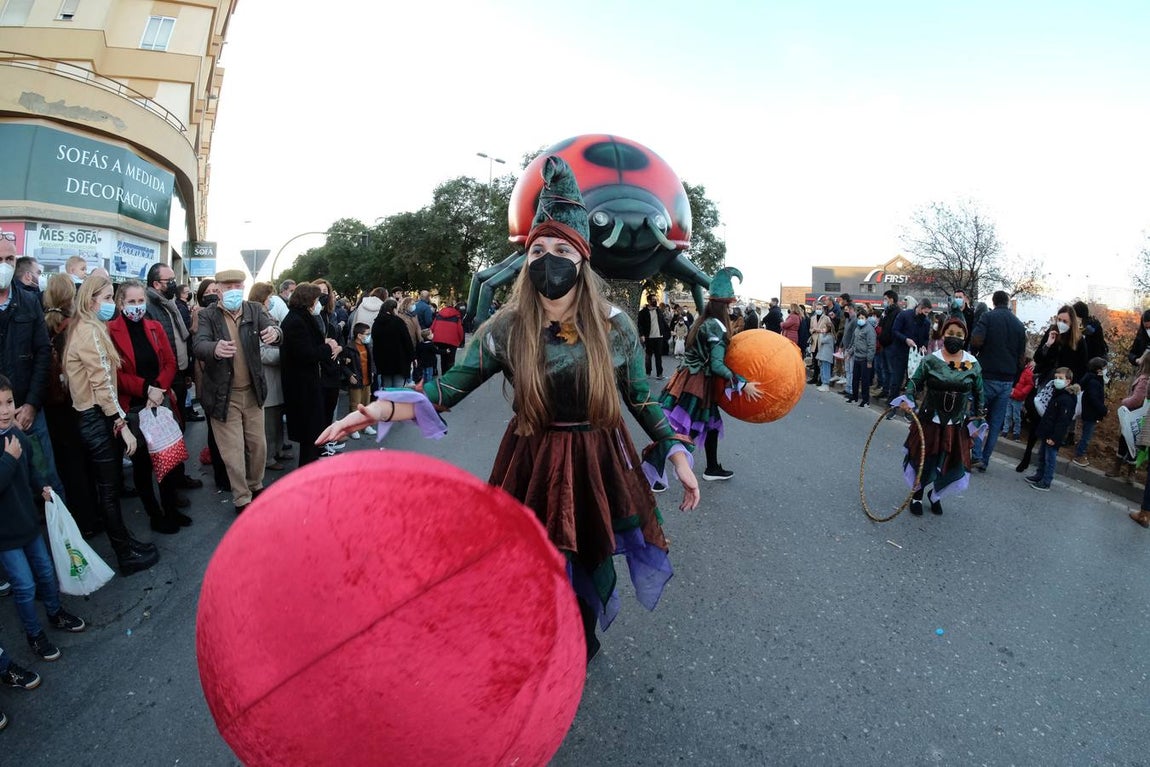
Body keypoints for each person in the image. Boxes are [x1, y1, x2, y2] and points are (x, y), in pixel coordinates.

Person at [319, 156, 700, 662]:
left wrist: (675, 452)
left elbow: (641, 397)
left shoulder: (615, 327)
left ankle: (581, 642)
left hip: (597, 457)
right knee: (536, 559)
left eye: (562, 249)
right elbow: (446, 389)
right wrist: (376, 410)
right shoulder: (506, 326)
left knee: (586, 553)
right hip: (533, 458)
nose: (549, 258)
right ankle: (546, 638)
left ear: (582, 259)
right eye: (538, 249)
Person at [63, 274, 159, 574]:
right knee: (108, 490)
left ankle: (126, 543)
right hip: (95, 416)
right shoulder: (89, 332)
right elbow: (103, 385)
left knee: (111, 487)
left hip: (94, 415)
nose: (111, 305)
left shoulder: (89, 328)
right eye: (107, 299)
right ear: (91, 300)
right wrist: (122, 424)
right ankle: (124, 554)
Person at [0, 374, 87, 663]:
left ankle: (55, 612)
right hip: (6, 536)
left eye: (9, 402)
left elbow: (32, 470)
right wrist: (9, 458)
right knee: (24, 586)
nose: (5, 410)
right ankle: (34, 634)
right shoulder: (10, 446)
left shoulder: (18, 437)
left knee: (47, 571)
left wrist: (42, 487)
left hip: (29, 524)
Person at [659, 268, 761, 481]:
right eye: (729, 304)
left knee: (710, 424)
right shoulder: (716, 327)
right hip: (696, 383)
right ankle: (651, 470)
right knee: (686, 429)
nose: (731, 308)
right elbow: (716, 365)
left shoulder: (703, 321)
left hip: (693, 379)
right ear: (723, 305)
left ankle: (712, 468)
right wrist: (743, 384)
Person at [192, 270, 281, 514]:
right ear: (218, 289)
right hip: (223, 395)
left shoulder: (254, 309)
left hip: (252, 392)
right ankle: (242, 498)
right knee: (232, 453)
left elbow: (274, 328)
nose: (234, 289)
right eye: (228, 285)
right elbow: (198, 345)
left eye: (238, 285)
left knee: (258, 446)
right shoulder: (208, 315)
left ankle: (256, 485)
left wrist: (276, 333)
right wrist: (214, 348)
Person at [107, 280, 191, 534]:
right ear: (121, 303)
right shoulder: (109, 331)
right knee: (143, 466)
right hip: (133, 408)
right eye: (131, 302)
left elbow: (169, 362)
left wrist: (158, 388)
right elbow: (114, 374)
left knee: (167, 459)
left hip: (160, 402)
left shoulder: (154, 327)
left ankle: (171, 508)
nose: (137, 306)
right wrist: (146, 389)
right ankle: (155, 515)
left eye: (140, 301)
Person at [896, 317, 984, 515]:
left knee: (950, 461)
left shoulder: (972, 364)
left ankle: (936, 495)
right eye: (950, 333)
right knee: (925, 459)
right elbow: (915, 382)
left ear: (965, 337)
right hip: (931, 420)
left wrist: (979, 418)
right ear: (943, 334)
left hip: (956, 423)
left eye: (959, 335)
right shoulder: (931, 360)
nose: (954, 337)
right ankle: (917, 495)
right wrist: (908, 399)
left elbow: (979, 392)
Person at [0, 238, 64, 500]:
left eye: (9, 260)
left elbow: (42, 355)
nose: (4, 266)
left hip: (29, 411)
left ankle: (62, 540)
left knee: (48, 482)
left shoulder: (29, 301)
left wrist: (31, 405)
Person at [281, 283, 340, 466]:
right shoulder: (296, 321)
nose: (318, 303)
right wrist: (327, 346)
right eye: (316, 299)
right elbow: (306, 354)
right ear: (308, 301)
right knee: (309, 434)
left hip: (307, 384)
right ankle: (307, 473)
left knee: (312, 433)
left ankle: (310, 469)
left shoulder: (301, 318)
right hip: (302, 387)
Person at [969, 290, 1027, 471]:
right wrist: (1014, 378)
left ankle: (976, 455)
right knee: (995, 423)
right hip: (1007, 379)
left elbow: (976, 340)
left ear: (993, 302)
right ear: (1008, 302)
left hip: (987, 375)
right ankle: (985, 460)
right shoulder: (1018, 325)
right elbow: (1022, 356)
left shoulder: (988, 317)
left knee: (978, 415)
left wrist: (977, 353)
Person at [253, 282, 292, 471]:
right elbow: (260, 352)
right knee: (269, 422)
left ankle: (278, 450)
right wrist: (285, 355)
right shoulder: (256, 317)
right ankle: (268, 458)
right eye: (268, 298)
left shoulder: (265, 315)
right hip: (267, 376)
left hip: (276, 376)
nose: (271, 301)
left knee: (277, 419)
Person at [1024, 367, 1079, 491]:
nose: (1057, 380)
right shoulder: (1057, 394)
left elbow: (1063, 421)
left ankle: (1046, 481)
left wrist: (1055, 437)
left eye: (1061, 378)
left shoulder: (1067, 399)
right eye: (1056, 378)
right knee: (1042, 455)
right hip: (1047, 431)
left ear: (1068, 381)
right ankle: (1039, 475)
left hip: (1053, 435)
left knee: (1050, 458)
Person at [1105, 352, 1150, 482]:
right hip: (1142, 418)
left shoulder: (1144, 380)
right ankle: (1131, 471)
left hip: (1133, 416)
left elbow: (1137, 399)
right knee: (1133, 444)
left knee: (1126, 441)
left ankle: (1120, 469)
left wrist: (1124, 401)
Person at [339, 322, 375, 441]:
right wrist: (349, 375)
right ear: (359, 335)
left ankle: (365, 426)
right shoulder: (349, 348)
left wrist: (372, 372)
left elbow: (370, 362)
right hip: (356, 380)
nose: (369, 336)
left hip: (366, 379)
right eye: (367, 334)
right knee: (355, 405)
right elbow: (343, 365)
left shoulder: (367, 346)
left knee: (366, 405)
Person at [371, 298, 415, 390]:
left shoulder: (376, 323)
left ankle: (387, 404)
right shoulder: (398, 322)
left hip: (383, 362)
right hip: (399, 361)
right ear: (393, 309)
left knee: (386, 387)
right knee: (398, 389)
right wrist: (412, 357)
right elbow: (407, 341)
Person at [1072, 357, 1108, 467]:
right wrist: (1103, 410)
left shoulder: (1093, 379)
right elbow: (1094, 398)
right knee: (1086, 436)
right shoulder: (1094, 382)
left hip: (1088, 412)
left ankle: (1080, 451)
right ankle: (1079, 455)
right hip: (1091, 413)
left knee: (1085, 434)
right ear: (1099, 370)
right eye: (1105, 368)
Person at [846, 306, 876, 406]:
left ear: (866, 319)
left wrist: (869, 361)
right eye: (859, 318)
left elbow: (871, 346)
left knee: (865, 380)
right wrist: (850, 353)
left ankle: (865, 399)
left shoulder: (869, 330)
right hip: (857, 357)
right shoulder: (857, 329)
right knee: (855, 378)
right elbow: (854, 343)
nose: (860, 320)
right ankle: (854, 396)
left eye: (862, 318)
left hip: (865, 358)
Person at [637, 294, 669, 379]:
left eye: (655, 299)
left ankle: (660, 374)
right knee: (648, 356)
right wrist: (642, 335)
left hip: (659, 337)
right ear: (649, 301)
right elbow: (639, 324)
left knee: (658, 356)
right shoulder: (643, 312)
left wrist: (668, 331)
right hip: (648, 337)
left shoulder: (658, 311)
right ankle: (648, 372)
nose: (655, 301)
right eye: (653, 299)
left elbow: (663, 322)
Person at [430, 301, 465, 373]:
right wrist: (460, 341)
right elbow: (460, 331)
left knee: (443, 358)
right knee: (451, 360)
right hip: (452, 341)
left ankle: (443, 374)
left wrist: (433, 339)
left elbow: (432, 327)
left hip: (439, 340)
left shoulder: (439, 315)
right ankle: (449, 376)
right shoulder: (457, 317)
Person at [1003, 357, 1034, 442]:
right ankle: (1005, 430)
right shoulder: (1018, 370)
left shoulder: (1028, 373)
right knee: (1008, 414)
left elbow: (1029, 385)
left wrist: (1020, 393)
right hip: (1012, 394)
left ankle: (1016, 433)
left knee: (1016, 416)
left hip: (1018, 396)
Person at [809, 303, 834, 391]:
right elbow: (811, 328)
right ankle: (815, 377)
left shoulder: (826, 318)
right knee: (814, 360)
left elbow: (829, 328)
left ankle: (821, 379)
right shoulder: (812, 318)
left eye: (820, 308)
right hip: (814, 340)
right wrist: (813, 330)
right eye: (817, 308)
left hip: (822, 340)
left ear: (822, 309)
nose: (818, 310)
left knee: (821, 362)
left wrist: (819, 330)